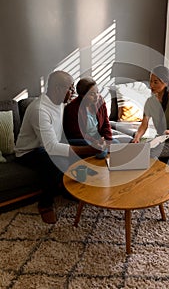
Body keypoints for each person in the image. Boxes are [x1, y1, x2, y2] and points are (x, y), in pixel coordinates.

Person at [15, 71, 103, 224]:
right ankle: (45, 204)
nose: (73, 92)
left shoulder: (59, 102)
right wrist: (90, 149)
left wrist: (93, 144)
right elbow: (51, 147)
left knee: (87, 144)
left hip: (50, 145)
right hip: (29, 151)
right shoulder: (39, 109)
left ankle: (78, 187)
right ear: (57, 89)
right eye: (70, 88)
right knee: (52, 159)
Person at [63, 77, 113, 155]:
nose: (97, 96)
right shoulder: (72, 108)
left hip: (97, 137)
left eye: (97, 92)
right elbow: (78, 133)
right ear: (82, 95)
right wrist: (96, 141)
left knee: (116, 144)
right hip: (81, 139)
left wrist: (108, 140)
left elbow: (106, 123)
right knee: (101, 152)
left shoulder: (100, 101)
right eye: (92, 94)